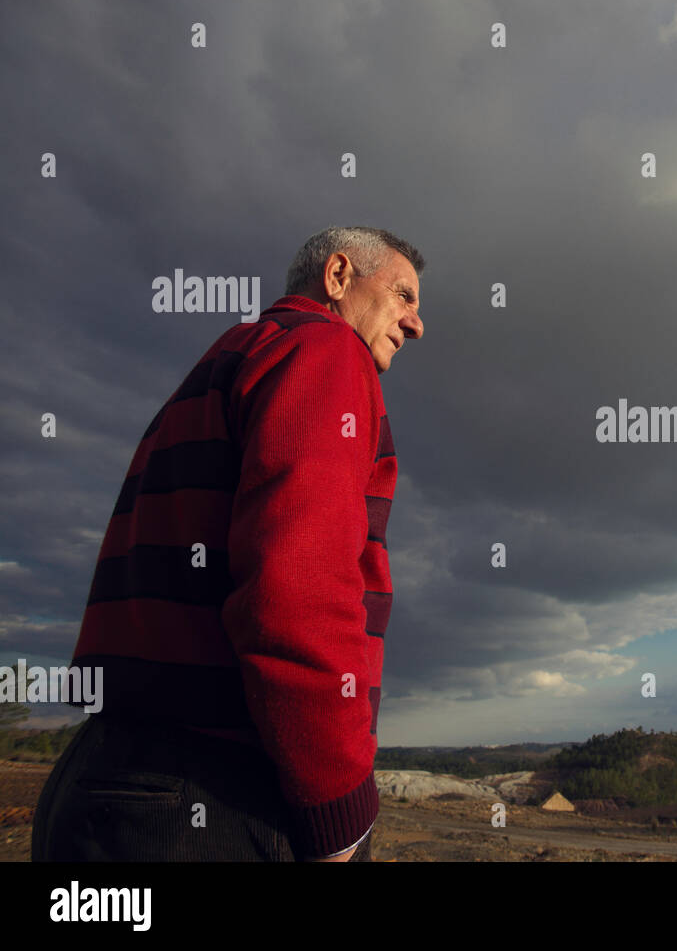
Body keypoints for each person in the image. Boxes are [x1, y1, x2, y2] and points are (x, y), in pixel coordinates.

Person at [31, 226, 425, 861]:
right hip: (211, 801)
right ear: (338, 276)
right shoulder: (325, 350)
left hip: (97, 785)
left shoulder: (229, 358)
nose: (416, 324)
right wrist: (339, 819)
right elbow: (297, 591)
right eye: (403, 295)